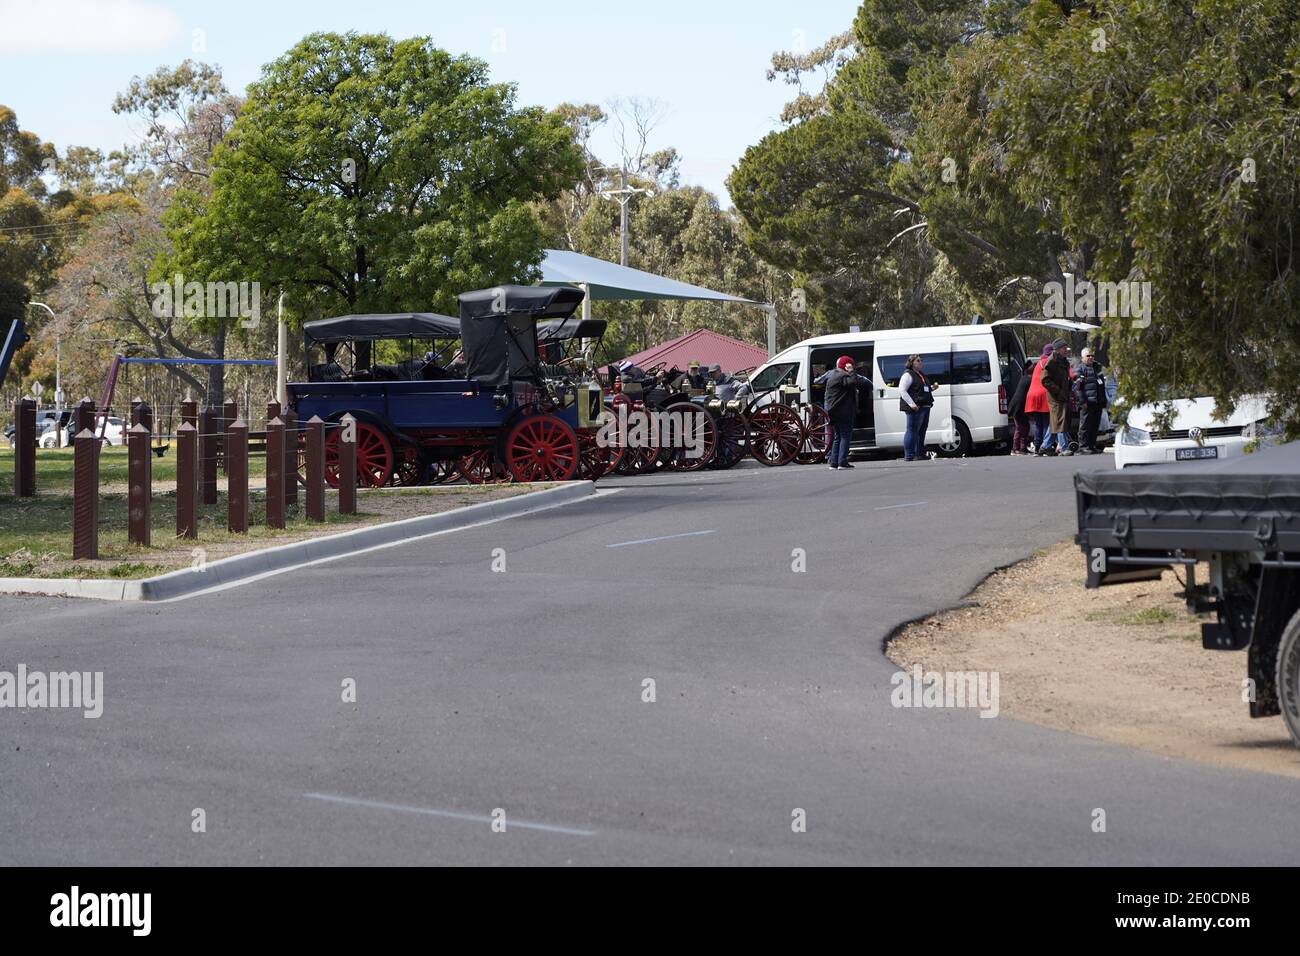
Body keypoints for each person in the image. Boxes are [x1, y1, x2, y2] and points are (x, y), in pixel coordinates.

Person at [814, 355, 871, 469]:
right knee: (845, 435)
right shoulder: (843, 376)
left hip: (833, 411)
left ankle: (834, 462)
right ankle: (842, 462)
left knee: (837, 436)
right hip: (843, 411)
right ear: (846, 366)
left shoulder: (832, 375)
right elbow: (853, 382)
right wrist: (851, 371)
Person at [1040, 338, 1074, 457]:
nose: (1066, 351)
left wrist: (1069, 387)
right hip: (1055, 397)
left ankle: (1044, 446)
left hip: (1063, 395)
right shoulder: (1052, 361)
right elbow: (1044, 379)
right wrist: (1058, 391)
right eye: (1064, 348)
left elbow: (1066, 378)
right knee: (1060, 420)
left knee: (1055, 421)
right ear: (1058, 349)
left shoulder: (1063, 361)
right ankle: (1064, 448)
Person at [898, 354, 935, 461]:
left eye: (921, 360)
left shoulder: (920, 374)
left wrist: (932, 388)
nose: (920, 362)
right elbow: (902, 390)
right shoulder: (908, 375)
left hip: (925, 405)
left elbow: (921, 389)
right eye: (918, 360)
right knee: (912, 430)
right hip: (916, 407)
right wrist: (912, 404)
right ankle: (909, 455)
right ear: (912, 362)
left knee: (921, 430)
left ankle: (919, 453)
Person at [1073, 347, 1107, 454]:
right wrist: (1082, 402)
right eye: (1088, 356)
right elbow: (1077, 388)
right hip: (1086, 403)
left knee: (1095, 425)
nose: (1091, 357)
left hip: (1098, 402)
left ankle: (1092, 445)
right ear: (1083, 358)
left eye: (1092, 355)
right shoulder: (1080, 369)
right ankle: (1083, 446)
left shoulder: (1098, 368)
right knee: (1085, 426)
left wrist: (1103, 400)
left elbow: (1102, 386)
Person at [1025, 343, 1053, 454]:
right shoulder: (1048, 362)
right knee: (1046, 422)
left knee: (1038, 423)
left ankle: (1037, 447)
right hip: (1043, 395)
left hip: (1032, 395)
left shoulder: (1038, 363)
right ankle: (1045, 446)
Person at [1008, 357, 1035, 455]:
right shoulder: (1028, 379)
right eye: (1032, 367)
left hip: (1019, 407)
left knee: (1024, 427)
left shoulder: (1025, 378)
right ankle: (1015, 449)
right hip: (1018, 408)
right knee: (1020, 427)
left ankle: (1022, 448)